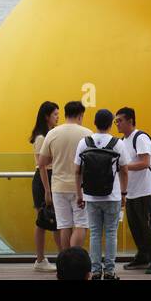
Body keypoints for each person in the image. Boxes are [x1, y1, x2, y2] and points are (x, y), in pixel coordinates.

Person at [74, 108, 129, 280]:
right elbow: (124, 171)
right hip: (112, 195)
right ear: (110, 124)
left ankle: (96, 270)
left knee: (95, 232)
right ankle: (110, 271)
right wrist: (124, 193)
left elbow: (77, 171)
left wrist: (79, 194)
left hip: (90, 195)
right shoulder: (117, 143)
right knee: (111, 232)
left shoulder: (85, 142)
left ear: (95, 123)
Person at [37, 100, 92, 254]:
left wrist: (47, 190)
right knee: (81, 224)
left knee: (64, 225)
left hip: (58, 187)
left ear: (66, 114)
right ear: (80, 115)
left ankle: (66, 260)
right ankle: (75, 259)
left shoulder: (53, 133)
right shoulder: (87, 134)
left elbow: (42, 163)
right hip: (80, 188)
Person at [115, 106, 151, 274]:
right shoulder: (122, 141)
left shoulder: (140, 138)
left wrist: (124, 166)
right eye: (115, 121)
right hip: (131, 191)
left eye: (120, 120)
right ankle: (143, 256)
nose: (117, 124)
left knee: (148, 226)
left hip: (144, 190)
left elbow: (145, 162)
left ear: (130, 120)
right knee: (135, 226)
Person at [29, 100, 60, 273]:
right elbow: (42, 165)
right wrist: (47, 191)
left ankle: (51, 257)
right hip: (44, 180)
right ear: (47, 116)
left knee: (50, 220)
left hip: (49, 178)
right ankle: (40, 259)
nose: (58, 117)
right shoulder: (41, 137)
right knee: (43, 221)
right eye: (55, 114)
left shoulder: (50, 134)